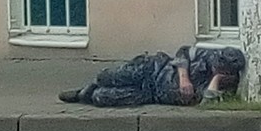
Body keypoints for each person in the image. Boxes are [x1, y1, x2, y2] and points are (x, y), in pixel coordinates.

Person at [58, 45, 245, 107]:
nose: (215, 67)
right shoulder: (208, 55)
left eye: (221, 69)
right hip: (155, 68)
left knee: (102, 98)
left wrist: (216, 80)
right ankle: (83, 91)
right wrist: (184, 77)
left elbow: (208, 103)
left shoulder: (224, 85)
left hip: (153, 95)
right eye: (217, 65)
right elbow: (183, 52)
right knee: (106, 77)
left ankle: (91, 95)